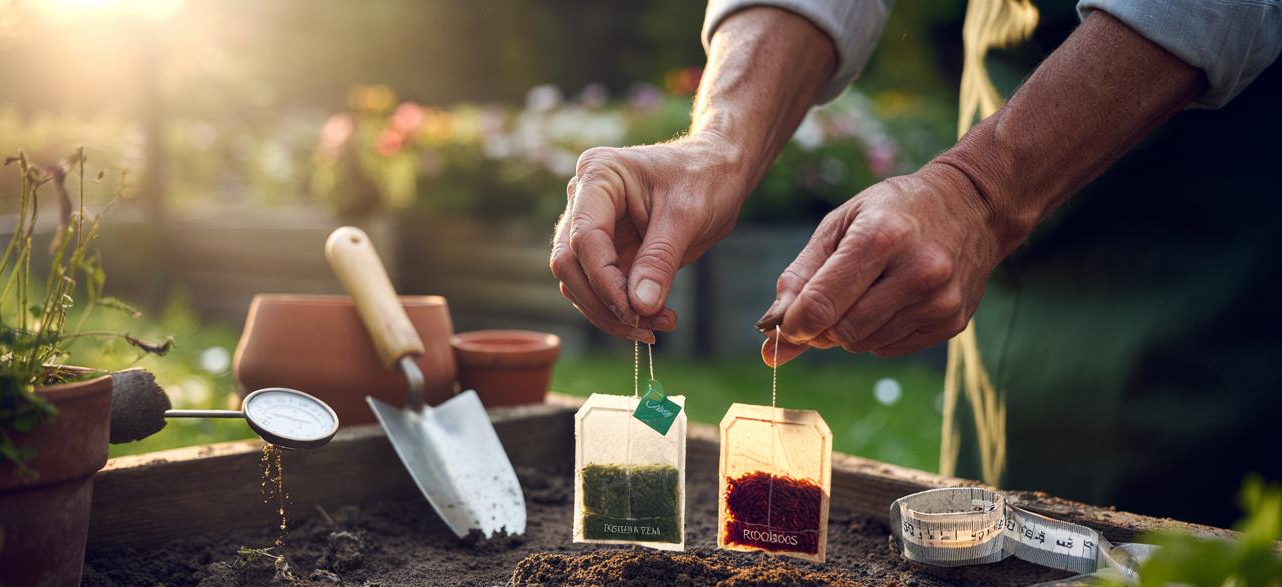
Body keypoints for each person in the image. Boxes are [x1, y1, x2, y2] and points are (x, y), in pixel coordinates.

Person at [549, 0, 1282, 528]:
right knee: (1003, 567)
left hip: (1229, 231)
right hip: (1021, 228)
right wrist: (723, 140)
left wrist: (982, 191)